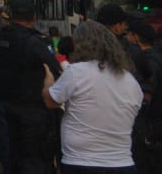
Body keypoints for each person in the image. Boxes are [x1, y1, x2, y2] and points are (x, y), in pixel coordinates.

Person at [43, 20, 143, 174]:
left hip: (81, 162)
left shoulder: (77, 72)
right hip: (122, 163)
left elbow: (50, 101)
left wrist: (48, 82)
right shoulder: (130, 80)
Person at [0, 0, 61, 174]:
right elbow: (54, 68)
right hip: (33, 110)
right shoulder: (34, 42)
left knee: (14, 157)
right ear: (33, 17)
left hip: (7, 107)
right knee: (36, 160)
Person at [126, 20, 162, 174]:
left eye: (128, 34)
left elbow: (146, 98)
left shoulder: (147, 62)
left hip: (151, 130)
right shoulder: (160, 59)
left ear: (136, 37)